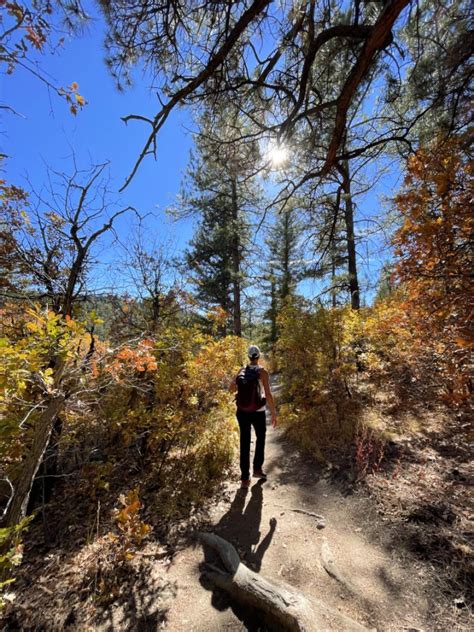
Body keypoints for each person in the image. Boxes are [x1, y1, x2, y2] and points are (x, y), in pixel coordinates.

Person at [230, 345, 278, 489]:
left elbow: (231, 388)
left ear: (248, 356)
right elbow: (268, 394)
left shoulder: (242, 370)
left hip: (242, 411)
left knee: (244, 442)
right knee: (261, 438)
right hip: (258, 411)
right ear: (258, 356)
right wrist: (274, 413)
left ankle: (245, 479)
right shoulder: (262, 371)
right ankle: (257, 469)